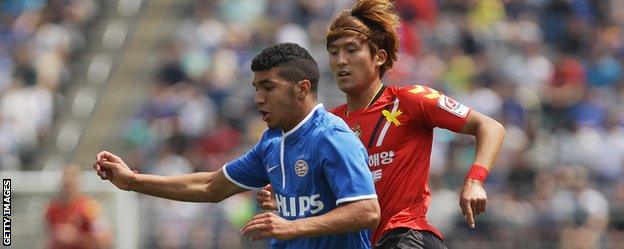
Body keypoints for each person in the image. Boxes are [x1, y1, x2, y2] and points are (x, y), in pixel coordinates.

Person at [257, 1, 506, 248]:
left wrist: (474, 181)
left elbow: (490, 127)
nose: (341, 60)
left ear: (379, 57)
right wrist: (284, 198)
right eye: (334, 52)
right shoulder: (328, 125)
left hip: (408, 235)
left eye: (351, 50)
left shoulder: (410, 100)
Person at [92, 43, 380, 249]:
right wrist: (132, 181)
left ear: (302, 89)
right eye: (256, 88)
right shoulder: (273, 141)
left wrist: (292, 226)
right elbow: (210, 185)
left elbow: (367, 211)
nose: (258, 99)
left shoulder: (332, 137)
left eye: (268, 87)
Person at [45, 164, 113, 249]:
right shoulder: (52, 209)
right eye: (65, 183)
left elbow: (105, 240)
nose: (68, 187)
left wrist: (75, 238)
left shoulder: (90, 207)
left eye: (71, 183)